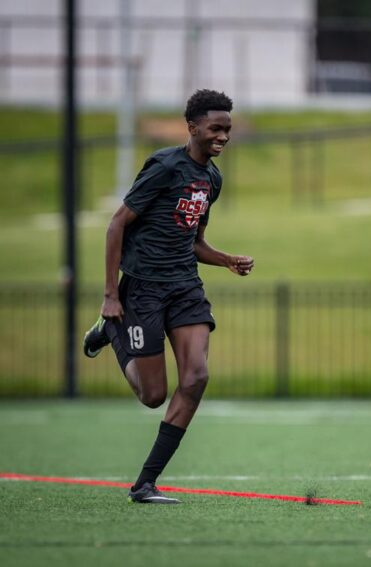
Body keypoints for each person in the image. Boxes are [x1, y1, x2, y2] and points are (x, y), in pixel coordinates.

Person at [83, 89, 253, 504]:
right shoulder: (164, 166)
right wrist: (111, 296)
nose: (223, 136)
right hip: (142, 289)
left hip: (185, 288)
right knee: (153, 395)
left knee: (196, 377)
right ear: (192, 127)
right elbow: (116, 226)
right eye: (216, 128)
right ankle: (111, 328)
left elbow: (193, 240)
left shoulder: (212, 178)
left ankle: (145, 483)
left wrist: (226, 258)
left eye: (228, 129)